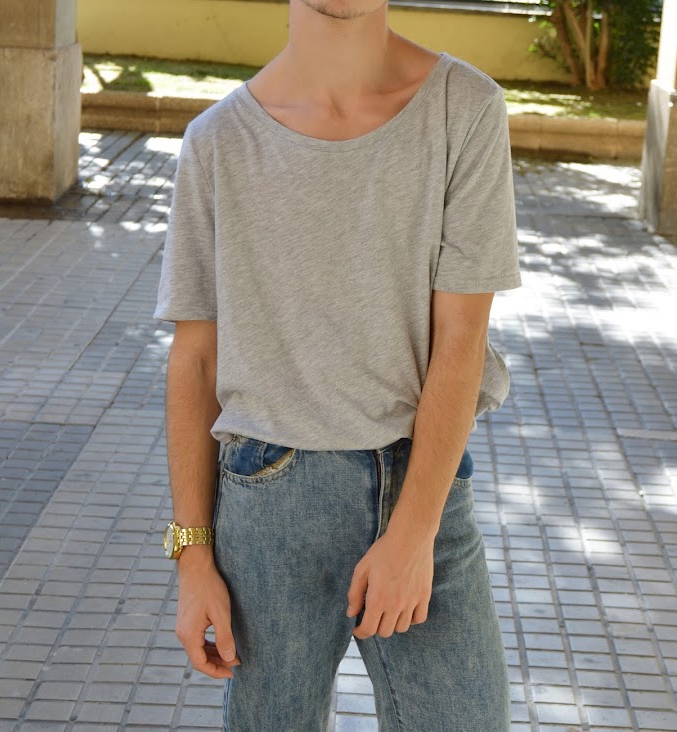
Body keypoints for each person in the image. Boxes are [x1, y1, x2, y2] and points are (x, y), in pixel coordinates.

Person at [154, 0, 522, 728]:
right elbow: (194, 360)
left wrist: (412, 535)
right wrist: (192, 557)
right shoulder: (218, 141)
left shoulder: (465, 109)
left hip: (422, 486)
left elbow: (461, 337)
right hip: (268, 502)